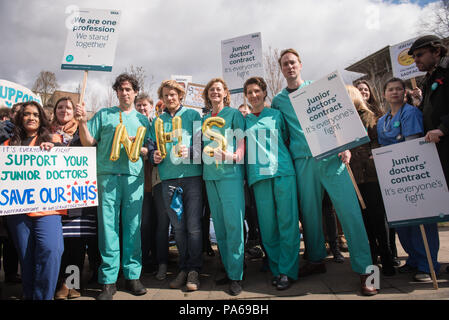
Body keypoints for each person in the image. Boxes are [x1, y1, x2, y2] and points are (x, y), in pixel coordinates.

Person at [271, 48, 377, 296]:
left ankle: (369, 272)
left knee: (350, 213)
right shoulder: (278, 101)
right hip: (303, 162)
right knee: (309, 215)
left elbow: (342, 116)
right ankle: (316, 260)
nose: (289, 67)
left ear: (300, 64)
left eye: (293, 62)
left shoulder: (319, 88)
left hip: (331, 157)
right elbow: (283, 135)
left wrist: (347, 146)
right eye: (285, 64)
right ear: (281, 68)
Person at [75, 73, 150, 300]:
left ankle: (132, 275)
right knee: (108, 228)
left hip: (133, 178)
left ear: (135, 92)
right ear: (116, 92)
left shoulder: (144, 120)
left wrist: (146, 151)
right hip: (107, 176)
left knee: (133, 227)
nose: (125, 92)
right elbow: (89, 141)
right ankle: (108, 280)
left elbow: (150, 148)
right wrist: (81, 122)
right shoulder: (104, 115)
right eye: (121, 89)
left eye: (129, 89)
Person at [377, 77, 441, 282]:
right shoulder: (382, 120)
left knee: (421, 221)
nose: (394, 92)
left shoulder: (411, 113)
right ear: (385, 94)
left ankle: (428, 265)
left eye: (398, 89)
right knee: (403, 222)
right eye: (390, 89)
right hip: (392, 177)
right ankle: (413, 260)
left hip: (411, 172)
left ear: (404, 93)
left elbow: (411, 144)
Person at [4, 101, 65, 300]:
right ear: (20, 118)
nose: (32, 118)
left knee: (52, 250)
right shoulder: (7, 145)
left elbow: (67, 160)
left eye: (36, 115)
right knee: (27, 257)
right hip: (18, 210)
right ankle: (29, 295)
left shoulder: (53, 139)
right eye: (27, 114)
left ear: (42, 119)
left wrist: (54, 149)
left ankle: (43, 296)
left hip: (48, 210)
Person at [243, 76, 300, 290]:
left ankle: (288, 270)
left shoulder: (276, 114)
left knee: (287, 222)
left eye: (257, 91)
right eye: (249, 92)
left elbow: (285, 138)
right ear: (246, 96)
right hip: (259, 177)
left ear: (264, 93)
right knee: (268, 227)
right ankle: (277, 269)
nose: (254, 95)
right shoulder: (244, 120)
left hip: (282, 172)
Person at [149, 80, 203, 291]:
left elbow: (201, 145)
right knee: (178, 228)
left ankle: (194, 270)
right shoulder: (157, 121)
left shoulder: (193, 116)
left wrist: (189, 151)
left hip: (192, 177)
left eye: (173, 94)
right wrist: (154, 155)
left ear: (181, 96)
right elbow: (151, 146)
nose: (170, 98)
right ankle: (183, 267)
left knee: (194, 227)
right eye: (166, 95)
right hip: (168, 179)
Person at [50, 97, 101, 300]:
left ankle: (73, 283)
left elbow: (92, 146)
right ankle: (62, 282)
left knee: (78, 243)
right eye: (60, 107)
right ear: (54, 111)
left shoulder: (82, 133)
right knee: (61, 243)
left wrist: (83, 122)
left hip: (79, 196)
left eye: (69, 107)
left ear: (75, 111)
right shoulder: (47, 133)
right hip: (55, 198)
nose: (64, 110)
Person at [202, 78, 246, 296]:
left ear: (225, 93)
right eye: (211, 90)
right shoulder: (203, 118)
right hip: (210, 177)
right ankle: (229, 270)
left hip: (230, 175)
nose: (215, 92)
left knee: (233, 225)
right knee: (219, 227)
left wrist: (234, 156)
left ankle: (237, 275)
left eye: (218, 89)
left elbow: (241, 144)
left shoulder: (234, 114)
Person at [409, 34, 449, 274]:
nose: (416, 60)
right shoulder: (429, 79)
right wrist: (419, 104)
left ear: (436, 51)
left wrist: (443, 129)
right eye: (414, 57)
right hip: (438, 152)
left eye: (420, 55)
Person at [347, 85, 396, 276]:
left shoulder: (369, 117)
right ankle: (372, 256)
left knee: (378, 218)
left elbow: (376, 140)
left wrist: (371, 156)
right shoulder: (344, 120)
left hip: (371, 176)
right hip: (355, 177)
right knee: (365, 220)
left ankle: (387, 256)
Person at [135, 94, 158, 273]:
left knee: (158, 222)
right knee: (144, 222)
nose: (142, 108)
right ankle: (143, 258)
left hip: (157, 179)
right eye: (139, 105)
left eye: (145, 105)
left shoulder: (156, 124)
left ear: (151, 106)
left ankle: (157, 256)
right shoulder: (134, 124)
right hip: (140, 182)